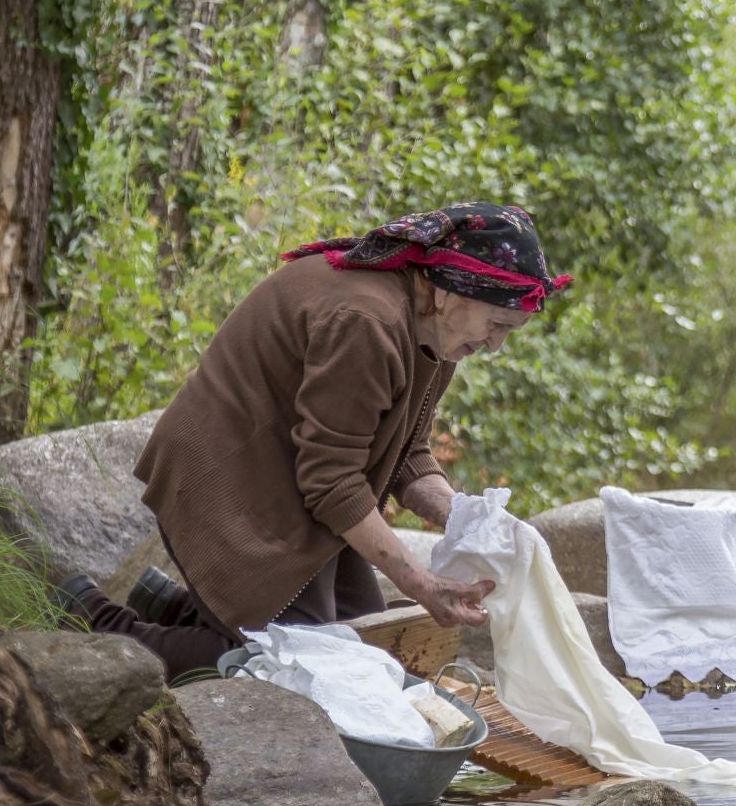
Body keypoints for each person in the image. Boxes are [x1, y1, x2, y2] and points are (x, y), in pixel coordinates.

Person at [57, 202, 572, 679]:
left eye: (512, 331)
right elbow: (331, 481)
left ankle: (171, 607)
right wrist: (418, 580)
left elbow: (407, 453)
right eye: (498, 324)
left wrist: (466, 519)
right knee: (299, 664)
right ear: (450, 290)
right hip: (229, 477)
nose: (496, 345)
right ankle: (92, 619)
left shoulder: (435, 331)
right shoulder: (367, 321)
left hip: (291, 481)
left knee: (361, 645)